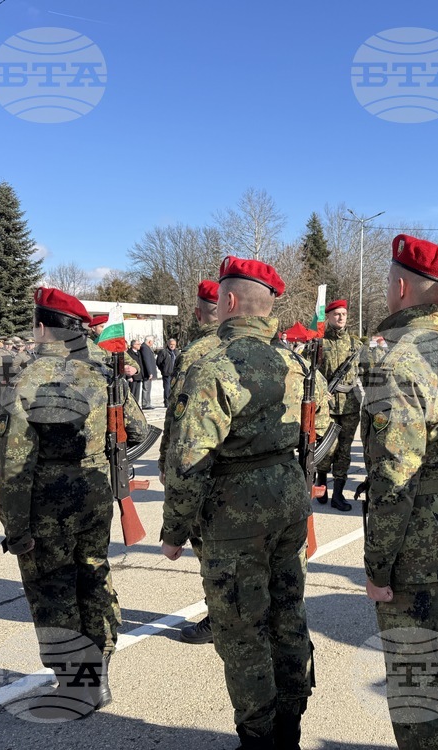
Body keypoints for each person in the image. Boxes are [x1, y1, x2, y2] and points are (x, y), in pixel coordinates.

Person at [162, 258, 326, 749]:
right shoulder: (294, 362)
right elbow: (321, 432)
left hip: (234, 512)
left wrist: (174, 529)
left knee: (241, 630)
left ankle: (259, 737)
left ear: (228, 301)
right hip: (289, 498)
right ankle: (290, 728)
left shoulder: (214, 365)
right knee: (287, 614)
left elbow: (189, 460)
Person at [0, 287, 148, 719]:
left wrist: (16, 528)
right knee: (93, 577)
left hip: (47, 504)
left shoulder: (29, 377)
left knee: (54, 591)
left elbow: (14, 462)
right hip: (96, 494)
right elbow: (136, 431)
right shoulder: (103, 370)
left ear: (42, 327)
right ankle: (98, 673)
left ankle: (77, 686)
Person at [360, 234, 438, 749]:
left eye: (389, 282)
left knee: (420, 681)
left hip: (414, 536)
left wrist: (377, 563)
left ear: (402, 287)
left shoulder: (394, 357)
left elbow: (395, 471)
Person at [158, 281, 222, 644]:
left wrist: (167, 461)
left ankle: (218, 617)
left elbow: (178, 418)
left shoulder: (196, 352)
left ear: (199, 313)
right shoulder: (262, 348)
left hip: (205, 468)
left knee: (211, 550)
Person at [315, 299, 361, 512]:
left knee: (344, 451)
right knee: (327, 449)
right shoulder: (320, 344)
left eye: (343, 313)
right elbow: (309, 373)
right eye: (336, 314)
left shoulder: (355, 344)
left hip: (350, 407)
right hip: (327, 406)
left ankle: (339, 494)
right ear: (329, 317)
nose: (341, 317)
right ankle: (321, 484)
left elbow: (368, 372)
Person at [155, 338, 179, 407]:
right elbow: (158, 362)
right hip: (167, 373)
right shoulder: (163, 352)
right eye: (171, 344)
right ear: (168, 344)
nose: (172, 346)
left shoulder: (176, 352)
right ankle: (167, 402)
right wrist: (163, 369)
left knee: (174, 388)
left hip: (175, 374)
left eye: (174, 344)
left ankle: (173, 402)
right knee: (167, 388)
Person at [139, 336, 158, 409]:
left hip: (149, 372)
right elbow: (146, 360)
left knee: (148, 388)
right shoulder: (145, 348)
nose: (153, 343)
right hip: (147, 372)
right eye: (152, 341)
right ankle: (145, 404)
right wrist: (150, 372)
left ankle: (148, 403)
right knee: (146, 388)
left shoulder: (146, 347)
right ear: (149, 341)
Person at [126, 340, 144, 404]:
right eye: (138, 344)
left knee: (137, 393)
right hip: (132, 377)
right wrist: (129, 376)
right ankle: (131, 405)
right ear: (134, 345)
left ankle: (136, 404)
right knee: (132, 392)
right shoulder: (128, 353)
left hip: (139, 375)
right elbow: (127, 365)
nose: (140, 345)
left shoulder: (139, 353)